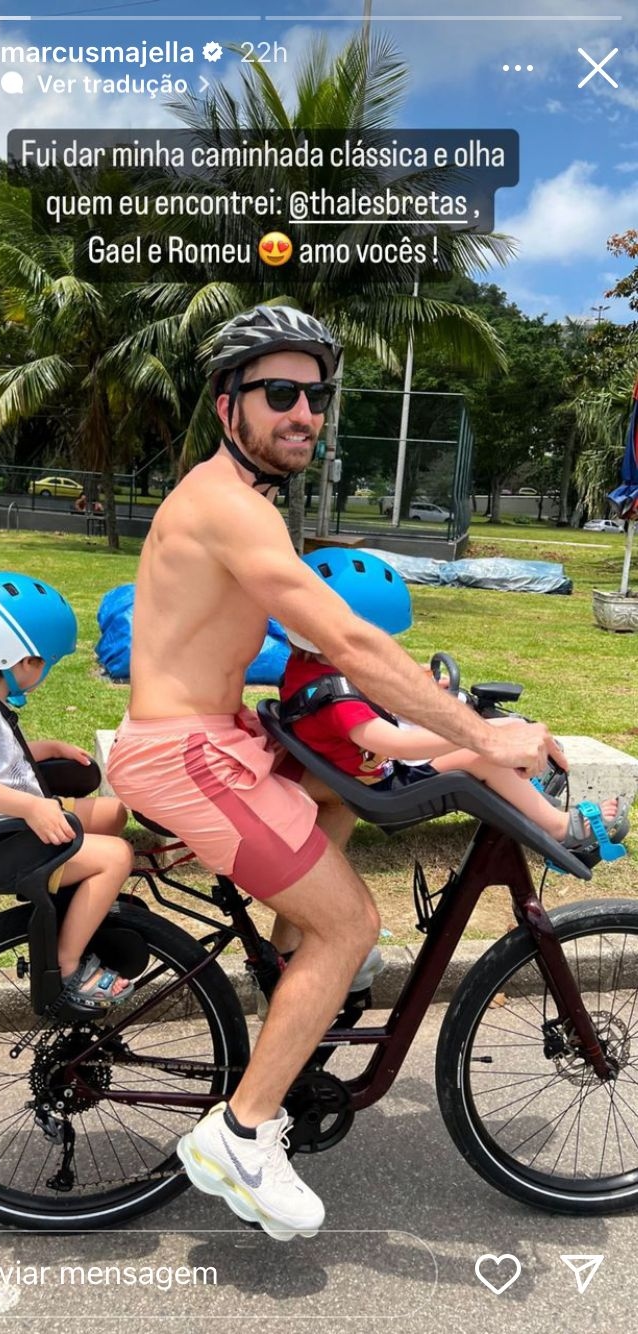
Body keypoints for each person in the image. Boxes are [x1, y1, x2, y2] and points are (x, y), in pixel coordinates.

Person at [106, 304, 563, 1242]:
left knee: (335, 795)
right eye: (281, 394)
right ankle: (239, 1135)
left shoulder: (239, 498)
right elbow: (347, 638)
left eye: (316, 397)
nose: (304, 413)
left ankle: (299, 981)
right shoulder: (228, 506)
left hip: (213, 738)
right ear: (227, 403)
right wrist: (477, 727)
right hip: (190, 754)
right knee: (352, 922)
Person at [280, 549, 629, 862]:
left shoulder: (311, 670)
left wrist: (418, 693)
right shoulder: (336, 700)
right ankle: (559, 826)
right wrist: (481, 733)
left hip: (373, 774)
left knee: (476, 738)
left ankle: (534, 805)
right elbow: (395, 743)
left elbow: (371, 695)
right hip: (385, 788)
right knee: (482, 756)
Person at [0, 571, 135, 1010]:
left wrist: (43, 750)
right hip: (9, 839)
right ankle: (68, 967)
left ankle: (80, 899)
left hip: (17, 823)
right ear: (15, 659)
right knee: (118, 857)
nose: (42, 672)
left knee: (113, 815)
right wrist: (30, 808)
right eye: (41, 661)